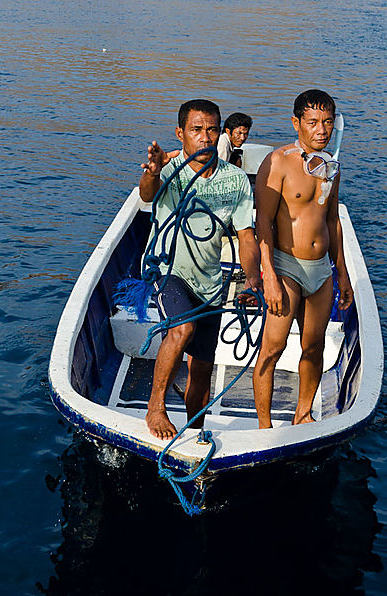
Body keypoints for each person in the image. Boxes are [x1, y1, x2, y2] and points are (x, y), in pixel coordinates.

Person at [138, 99, 261, 440]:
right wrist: (150, 173)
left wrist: (253, 278)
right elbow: (147, 196)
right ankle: (156, 407)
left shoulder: (235, 180)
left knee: (203, 368)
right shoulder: (169, 169)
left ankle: (196, 430)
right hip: (168, 269)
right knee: (182, 329)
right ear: (181, 134)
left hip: (209, 280)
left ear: (219, 132)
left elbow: (247, 239)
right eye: (195, 130)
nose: (204, 137)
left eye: (210, 129)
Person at [251, 89, 354, 429]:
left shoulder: (331, 166)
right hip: (287, 266)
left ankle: (303, 413)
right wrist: (269, 276)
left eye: (327, 123)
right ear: (296, 123)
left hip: (320, 271)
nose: (321, 130)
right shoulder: (278, 162)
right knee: (273, 346)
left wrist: (343, 274)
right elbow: (262, 221)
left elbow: (332, 219)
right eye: (312, 123)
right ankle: (264, 426)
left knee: (314, 347)